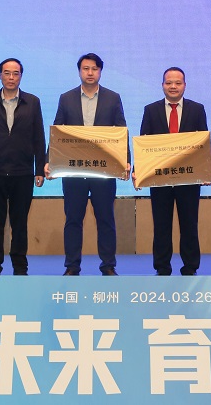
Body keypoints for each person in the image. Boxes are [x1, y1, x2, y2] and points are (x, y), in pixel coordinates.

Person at [47, 53, 129, 276]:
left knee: (106, 219)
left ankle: (108, 265)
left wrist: (125, 161)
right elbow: (58, 132)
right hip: (74, 171)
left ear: (100, 71)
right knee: (73, 219)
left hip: (104, 170)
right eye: (85, 69)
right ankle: (72, 266)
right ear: (79, 71)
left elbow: (121, 131)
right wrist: (49, 161)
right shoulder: (66, 98)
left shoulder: (113, 98)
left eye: (94, 69)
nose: (90, 73)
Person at [0, 58, 46, 276]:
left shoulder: (33, 102)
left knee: (19, 224)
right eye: (7, 73)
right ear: (0, 75)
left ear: (21, 76)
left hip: (22, 173)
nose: (11, 77)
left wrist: (39, 169)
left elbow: (38, 138)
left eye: (15, 73)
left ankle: (20, 267)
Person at [136, 67, 210, 276]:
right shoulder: (151, 110)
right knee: (161, 225)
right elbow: (144, 143)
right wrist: (139, 171)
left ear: (184, 85)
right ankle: (162, 267)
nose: (173, 86)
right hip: (160, 179)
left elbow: (203, 143)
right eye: (169, 83)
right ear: (162, 86)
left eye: (178, 83)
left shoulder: (197, 109)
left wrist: (205, 170)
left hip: (188, 179)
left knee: (189, 224)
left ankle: (190, 267)